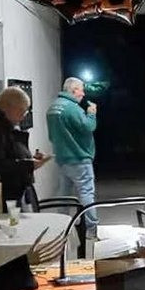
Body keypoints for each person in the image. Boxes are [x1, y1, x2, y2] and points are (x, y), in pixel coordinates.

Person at [0, 87, 49, 211]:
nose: (23, 115)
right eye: (21, 110)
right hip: (6, 195)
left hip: (16, 191)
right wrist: (29, 164)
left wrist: (31, 159)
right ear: (7, 108)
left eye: (25, 111)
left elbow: (13, 155)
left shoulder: (7, 128)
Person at [46, 77, 99, 236]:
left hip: (63, 159)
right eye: (81, 90)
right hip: (79, 158)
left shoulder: (53, 108)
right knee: (86, 193)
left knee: (64, 195)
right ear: (74, 90)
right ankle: (91, 229)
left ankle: (61, 228)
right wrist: (91, 114)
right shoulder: (72, 108)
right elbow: (88, 126)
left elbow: (52, 136)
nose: (83, 94)